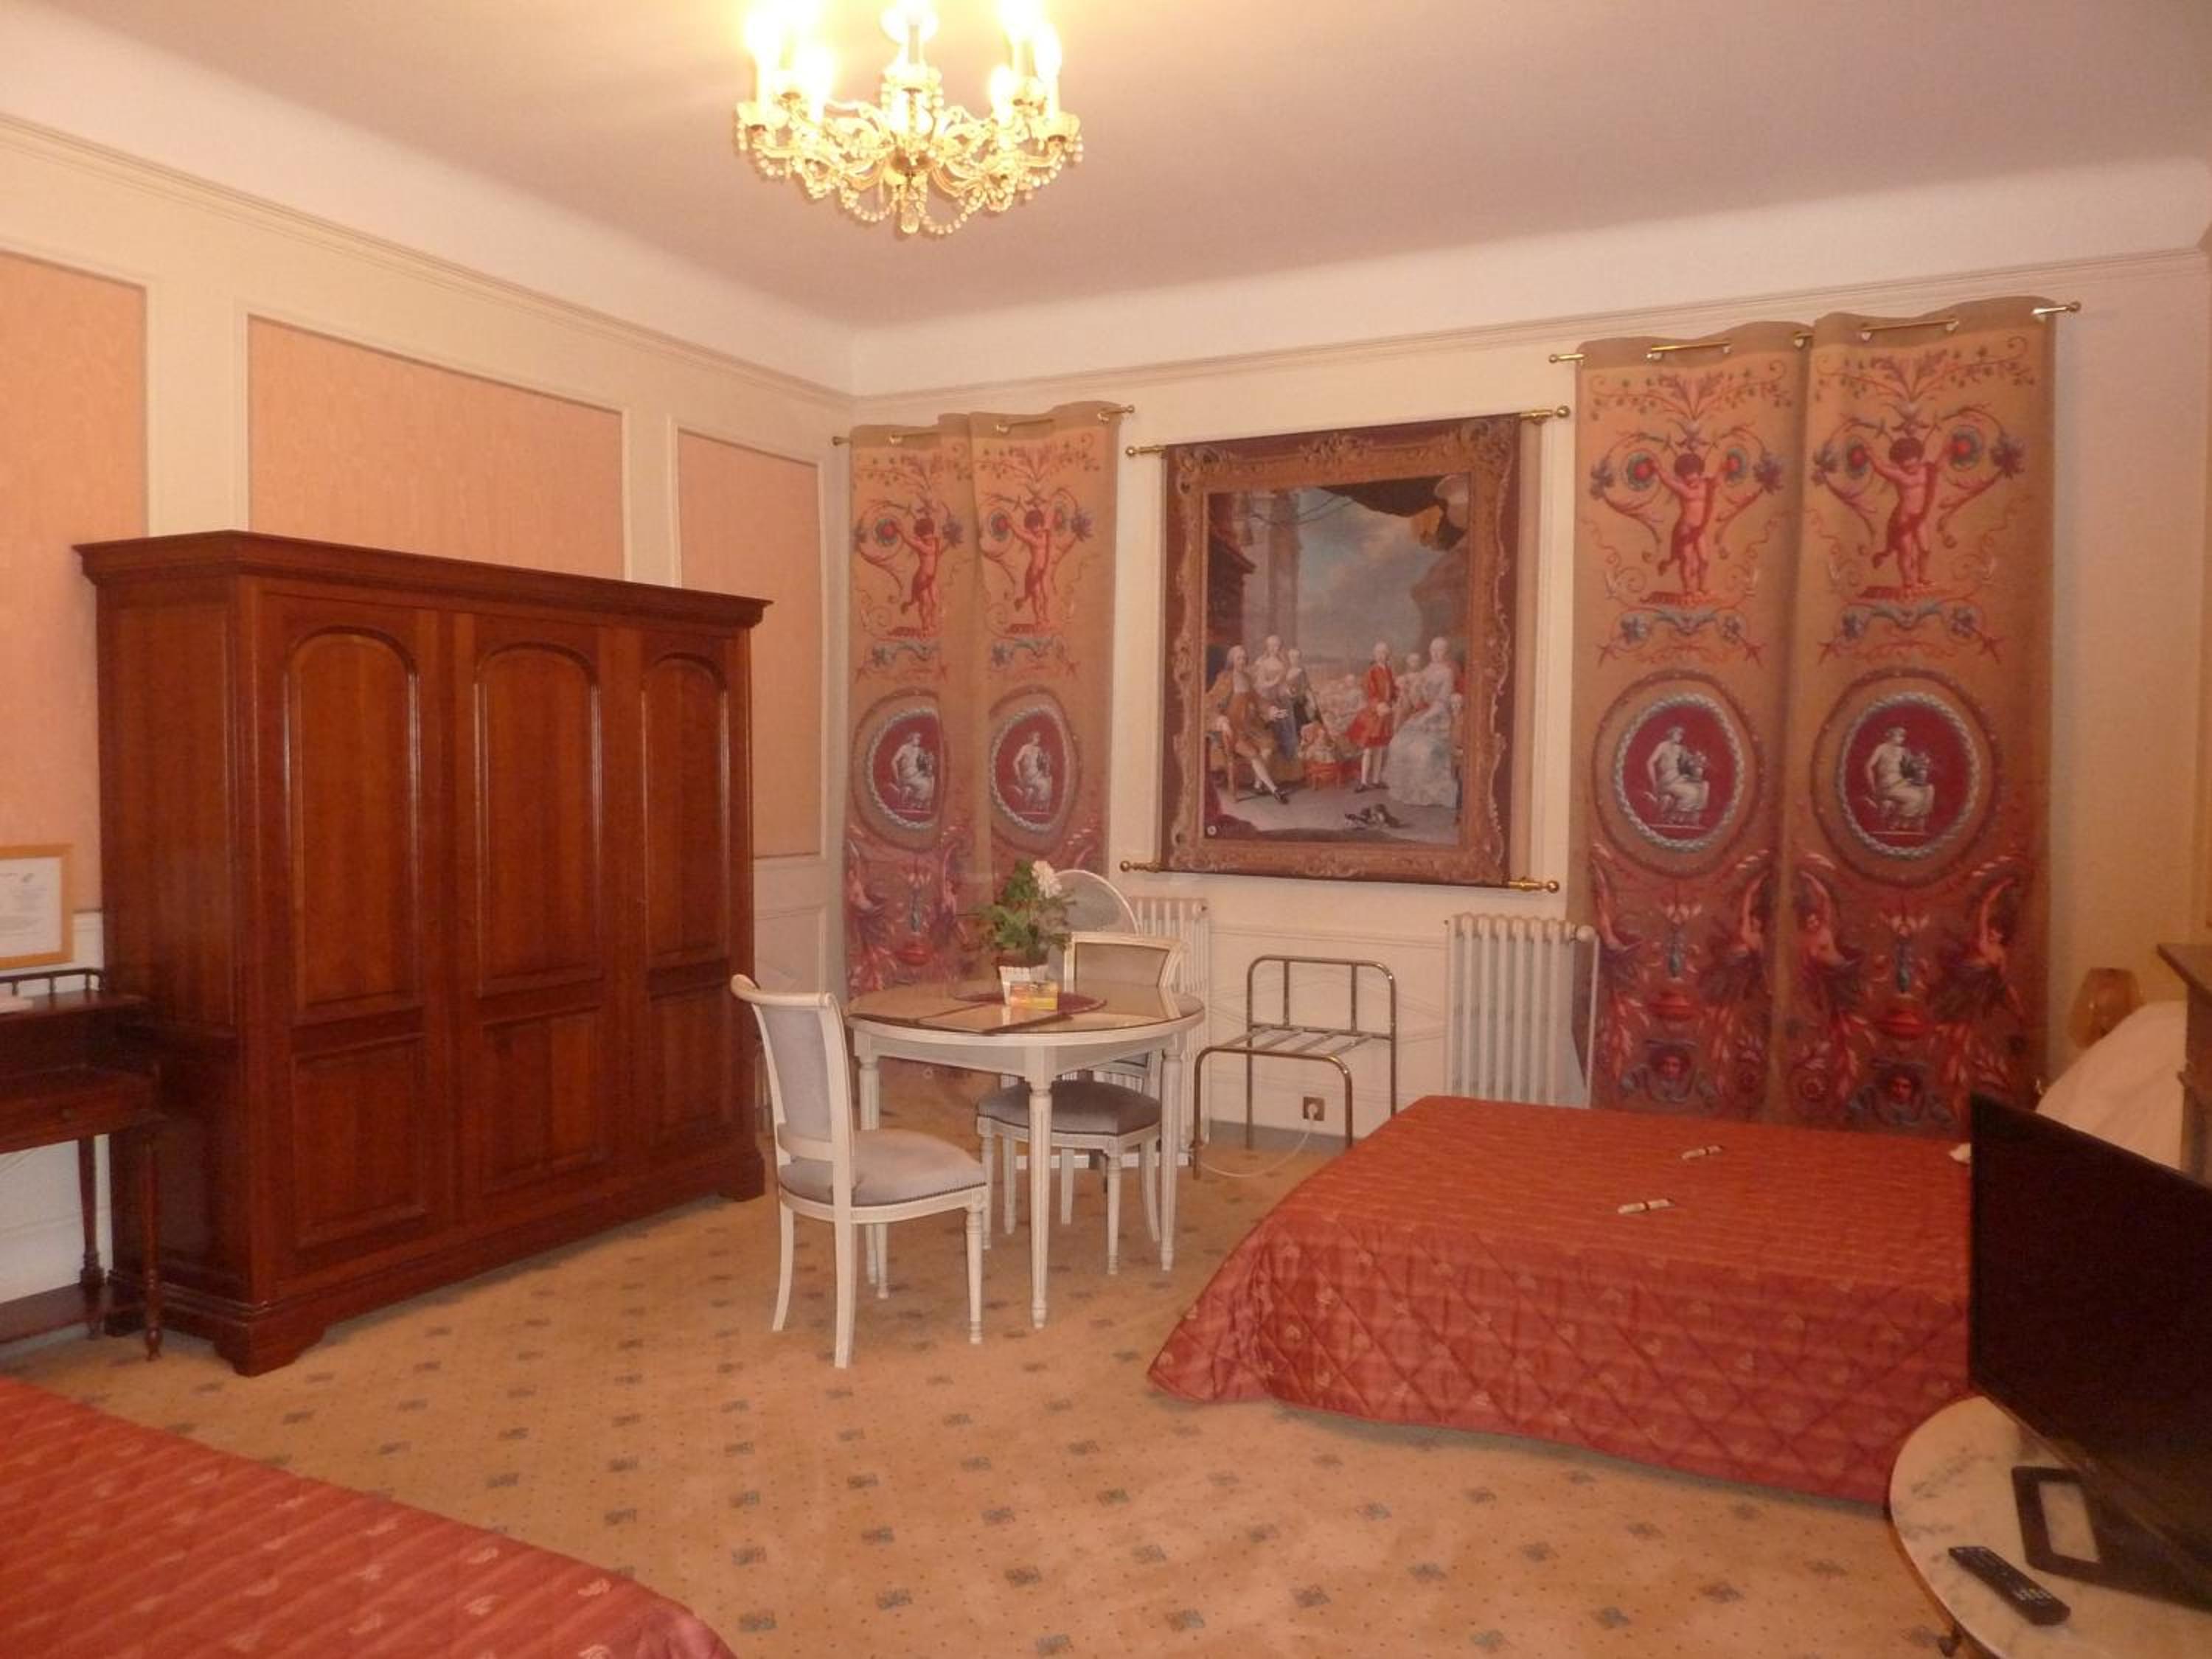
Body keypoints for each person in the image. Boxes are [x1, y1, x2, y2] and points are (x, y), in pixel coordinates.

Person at [1206, 643, 1288, 803]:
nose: (1242, 661)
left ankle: (1258, 785)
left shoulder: (1247, 678)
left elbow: (1257, 699)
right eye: (1239, 658)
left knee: (1267, 749)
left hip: (1249, 725)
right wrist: (1221, 720)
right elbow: (1211, 703)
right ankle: (1275, 790)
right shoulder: (1225, 678)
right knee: (1254, 754)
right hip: (1232, 728)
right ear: (1232, 660)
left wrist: (1271, 710)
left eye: (1244, 658)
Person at [1652, 448, 1723, 597]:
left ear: (1699, 473)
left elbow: (1718, 480)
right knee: (1687, 560)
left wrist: (1724, 468)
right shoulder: (1682, 488)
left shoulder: (1707, 485)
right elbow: (1667, 480)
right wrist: (1657, 468)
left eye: (1693, 478)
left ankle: (1702, 587)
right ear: (1682, 476)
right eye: (1686, 479)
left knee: (1704, 560)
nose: (1690, 482)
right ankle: (1688, 589)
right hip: (1685, 529)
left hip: (1700, 529)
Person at [1344, 641, 1397, 793]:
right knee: (1368, 749)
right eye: (1379, 653)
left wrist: (1394, 701)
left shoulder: (1389, 671)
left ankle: (1376, 780)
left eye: (1384, 653)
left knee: (1379, 749)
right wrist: (1379, 705)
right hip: (1373, 714)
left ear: (1388, 655)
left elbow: (1393, 691)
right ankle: (1363, 782)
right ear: (1374, 654)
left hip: (1385, 714)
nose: (1381, 655)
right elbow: (1370, 692)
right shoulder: (1372, 671)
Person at [890, 728, 936, 812]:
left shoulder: (918, 750)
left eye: (920, 739)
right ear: (911, 738)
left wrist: (929, 760)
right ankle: (914, 804)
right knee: (925, 785)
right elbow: (893, 761)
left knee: (931, 779)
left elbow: (924, 763)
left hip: (916, 774)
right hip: (907, 776)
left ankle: (921, 804)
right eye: (917, 738)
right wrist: (897, 777)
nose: (919, 741)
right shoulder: (904, 748)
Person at [1013, 730, 1053, 814]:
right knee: (1044, 784)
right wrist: (1018, 776)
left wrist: (1047, 760)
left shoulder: (1039, 749)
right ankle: (1037, 807)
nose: (1039, 739)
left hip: (1037, 774)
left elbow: (1042, 764)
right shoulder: (1025, 748)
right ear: (1031, 737)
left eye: (1039, 738)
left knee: (1049, 780)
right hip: (1028, 776)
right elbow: (1015, 762)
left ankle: (1039, 807)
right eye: (1037, 737)